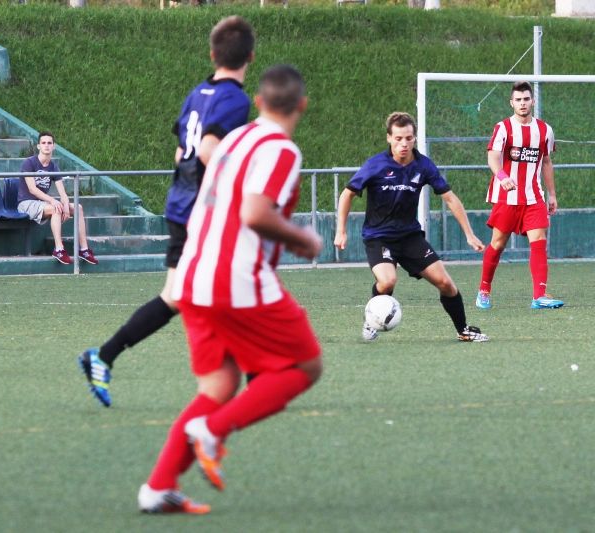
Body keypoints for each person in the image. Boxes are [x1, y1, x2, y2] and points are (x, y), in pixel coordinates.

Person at [138, 64, 323, 515]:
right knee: (306, 366)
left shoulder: (233, 139)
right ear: (302, 105)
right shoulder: (281, 149)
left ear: (257, 103)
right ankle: (213, 430)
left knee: (220, 383)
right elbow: (256, 214)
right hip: (234, 279)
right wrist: (304, 240)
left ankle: (158, 487)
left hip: (194, 273)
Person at [77, 15, 255, 408]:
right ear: (251, 57)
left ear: (212, 54)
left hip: (180, 204)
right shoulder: (236, 100)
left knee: (175, 296)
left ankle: (102, 356)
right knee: (238, 282)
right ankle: (259, 375)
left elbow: (181, 151)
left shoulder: (198, 93)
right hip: (201, 211)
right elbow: (208, 150)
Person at [334, 112, 489, 342]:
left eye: (408, 138)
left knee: (446, 283)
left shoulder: (423, 165)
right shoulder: (375, 165)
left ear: (415, 138)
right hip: (379, 238)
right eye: (398, 138)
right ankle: (372, 320)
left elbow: (450, 199)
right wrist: (341, 230)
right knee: (387, 281)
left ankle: (463, 330)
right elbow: (347, 194)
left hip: (409, 238)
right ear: (389, 138)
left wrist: (469, 233)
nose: (403, 144)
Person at [475, 81, 563, 310]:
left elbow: (546, 162)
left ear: (532, 101)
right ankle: (484, 290)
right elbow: (493, 157)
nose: (522, 103)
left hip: (534, 197)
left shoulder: (545, 130)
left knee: (539, 242)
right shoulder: (503, 128)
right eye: (518, 100)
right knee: (497, 243)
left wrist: (552, 194)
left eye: (526, 99)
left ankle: (539, 296)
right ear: (511, 102)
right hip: (507, 197)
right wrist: (503, 176)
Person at [16, 131, 98, 266]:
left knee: (78, 208)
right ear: (38, 146)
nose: (46, 146)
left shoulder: (53, 166)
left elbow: (63, 193)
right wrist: (53, 200)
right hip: (26, 203)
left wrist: (65, 204)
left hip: (42, 203)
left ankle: (84, 250)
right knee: (55, 208)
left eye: (49, 143)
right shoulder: (29, 163)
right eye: (43, 143)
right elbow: (32, 189)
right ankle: (59, 250)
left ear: (54, 146)